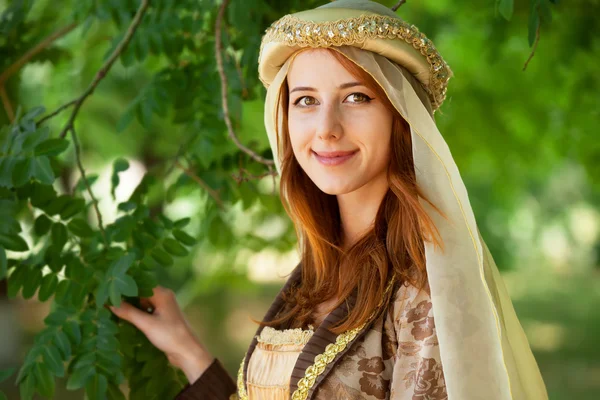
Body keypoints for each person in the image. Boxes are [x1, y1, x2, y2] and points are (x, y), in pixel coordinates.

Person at [109, 1, 549, 399]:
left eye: (356, 97)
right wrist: (184, 348)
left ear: (400, 116)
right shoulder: (317, 271)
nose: (326, 128)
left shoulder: (426, 287)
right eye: (305, 101)